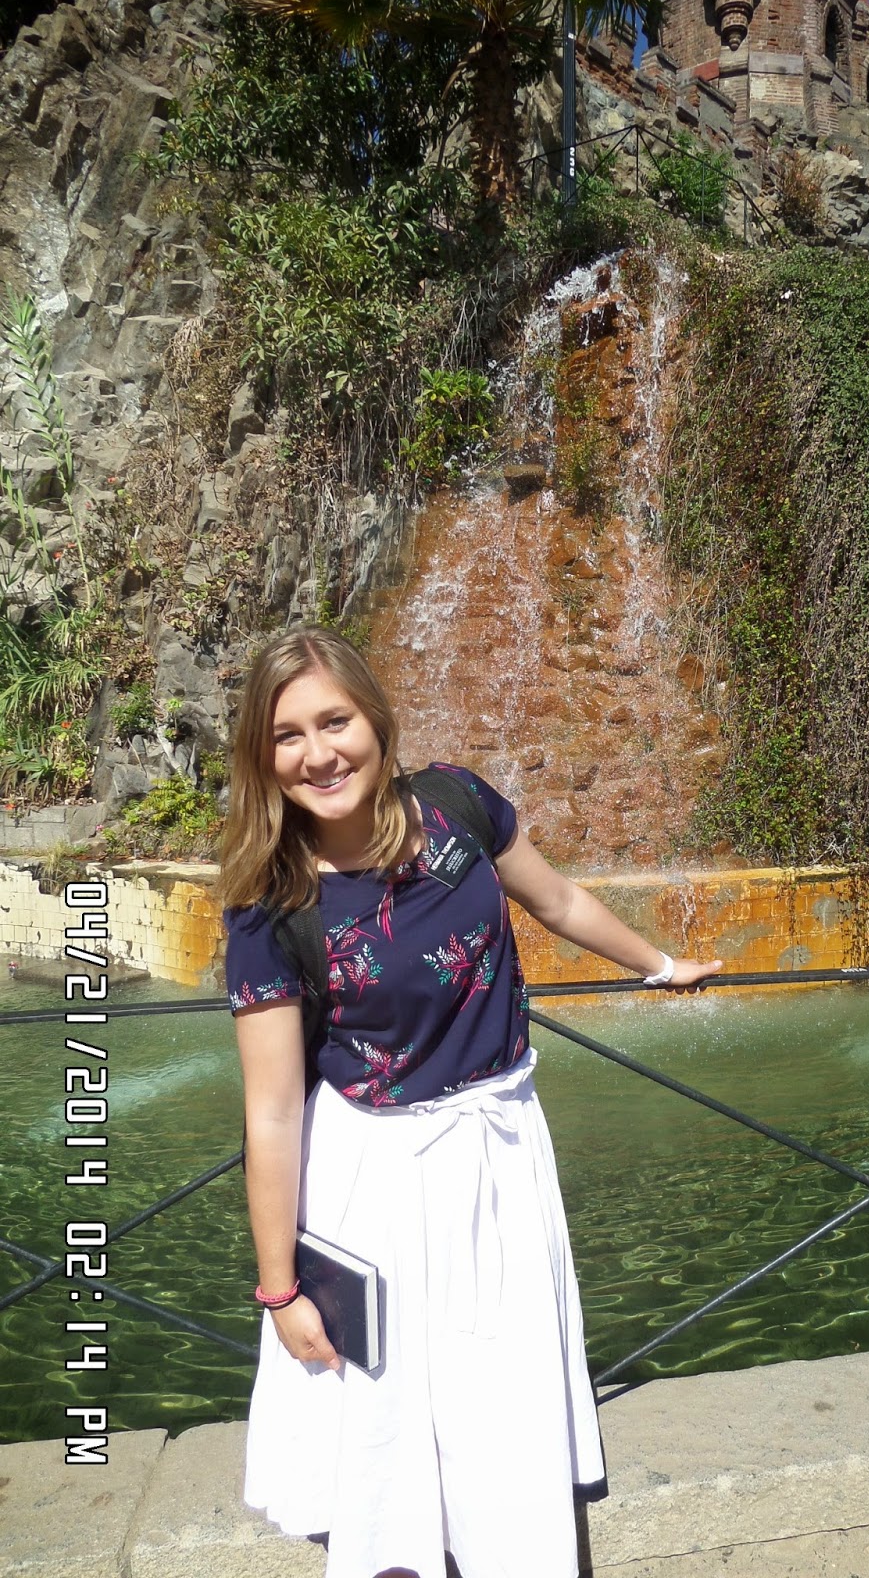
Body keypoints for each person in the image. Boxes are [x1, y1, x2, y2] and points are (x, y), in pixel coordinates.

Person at [219, 625, 721, 1578]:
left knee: (502, 1384)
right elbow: (273, 1112)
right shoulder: (270, 910)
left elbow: (559, 903)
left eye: (335, 721)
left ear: (377, 720)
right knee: (392, 1415)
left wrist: (660, 967)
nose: (319, 754)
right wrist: (280, 1288)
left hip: (502, 1144)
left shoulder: (458, 805)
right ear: (262, 756)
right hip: (379, 1182)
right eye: (288, 735)